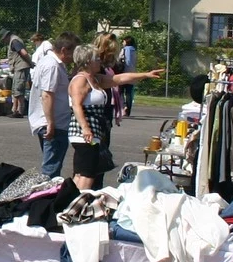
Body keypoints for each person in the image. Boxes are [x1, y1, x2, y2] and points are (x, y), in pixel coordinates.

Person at [67, 43, 163, 191]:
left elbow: (120, 78)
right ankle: (77, 203)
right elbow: (76, 105)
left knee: (83, 172)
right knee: (87, 174)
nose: (100, 61)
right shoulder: (80, 80)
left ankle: (72, 201)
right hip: (83, 133)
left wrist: (145, 74)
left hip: (94, 132)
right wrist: (85, 128)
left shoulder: (96, 79)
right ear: (87, 61)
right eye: (96, 58)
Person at [28, 32, 78, 177]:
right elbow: (47, 95)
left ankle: (48, 195)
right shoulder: (52, 66)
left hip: (52, 122)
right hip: (53, 123)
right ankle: (47, 197)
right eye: (72, 52)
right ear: (64, 50)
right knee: (51, 170)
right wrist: (50, 123)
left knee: (52, 165)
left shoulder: (51, 62)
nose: (73, 57)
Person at [5, 30, 32, 116]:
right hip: (19, 67)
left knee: (19, 89)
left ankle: (20, 110)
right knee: (16, 89)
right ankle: (15, 110)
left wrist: (30, 62)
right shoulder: (14, 40)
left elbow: (23, 52)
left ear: (7, 36)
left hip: (21, 67)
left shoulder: (15, 41)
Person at [119, 35, 138, 117]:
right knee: (129, 93)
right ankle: (128, 110)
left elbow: (123, 60)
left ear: (126, 42)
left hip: (124, 72)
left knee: (120, 91)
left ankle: (123, 106)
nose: (122, 43)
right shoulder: (134, 51)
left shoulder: (125, 49)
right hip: (132, 73)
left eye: (123, 41)